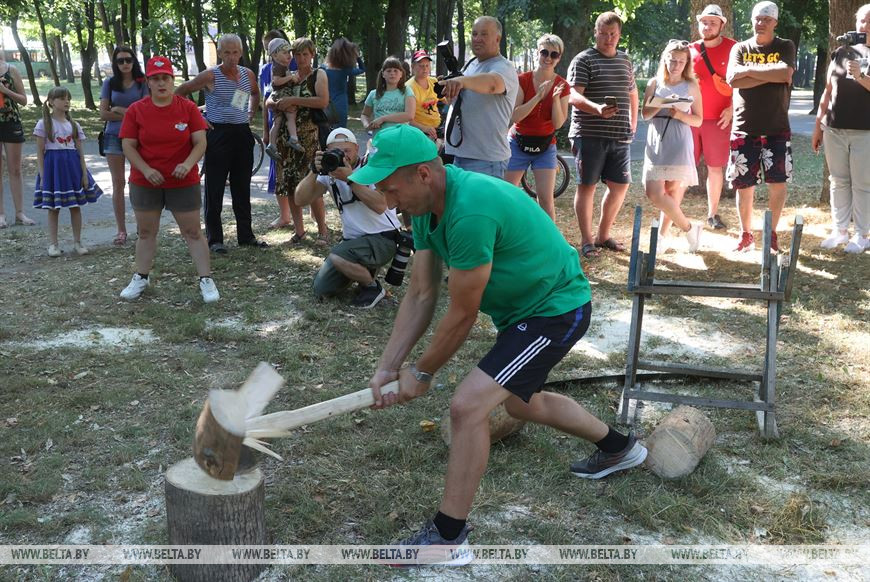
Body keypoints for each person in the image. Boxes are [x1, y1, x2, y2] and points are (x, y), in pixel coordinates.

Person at [352, 125, 646, 559]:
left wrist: (421, 372)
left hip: (555, 309)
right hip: (522, 314)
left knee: (467, 406)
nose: (388, 201)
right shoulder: (426, 209)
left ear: (423, 174)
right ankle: (619, 448)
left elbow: (462, 314)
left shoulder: (470, 210)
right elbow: (420, 293)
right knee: (519, 403)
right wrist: (387, 367)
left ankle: (448, 537)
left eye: (391, 188)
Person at [118, 56, 217, 303]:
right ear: (148, 82)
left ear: (173, 80)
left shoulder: (188, 108)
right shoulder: (136, 110)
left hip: (182, 181)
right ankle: (141, 276)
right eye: (155, 79)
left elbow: (200, 142)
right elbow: (128, 146)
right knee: (146, 232)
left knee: (193, 231)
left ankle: (206, 279)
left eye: (165, 78)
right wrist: (146, 170)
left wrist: (188, 164)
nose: (161, 83)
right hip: (145, 181)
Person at [176, 33, 267, 254]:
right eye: (227, 52)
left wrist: (250, 112)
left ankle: (246, 235)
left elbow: (255, 93)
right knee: (215, 187)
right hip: (218, 133)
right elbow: (180, 92)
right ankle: (215, 239)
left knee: (241, 186)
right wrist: (198, 118)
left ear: (241, 53)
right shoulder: (210, 75)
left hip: (242, 133)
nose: (231, 57)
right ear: (219, 53)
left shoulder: (247, 74)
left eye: (235, 52)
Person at [294, 128, 400, 308]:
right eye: (336, 151)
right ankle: (364, 269)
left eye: (347, 151)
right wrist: (313, 171)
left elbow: (380, 205)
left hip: (383, 237)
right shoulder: (330, 172)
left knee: (338, 256)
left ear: (357, 149)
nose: (343, 156)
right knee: (321, 289)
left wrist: (350, 178)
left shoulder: (370, 167)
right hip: (354, 241)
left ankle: (372, 287)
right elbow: (300, 200)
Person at [567, 11, 639, 259]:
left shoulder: (625, 60)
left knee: (620, 186)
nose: (609, 39)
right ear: (595, 33)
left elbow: (632, 92)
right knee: (587, 186)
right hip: (589, 134)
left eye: (613, 34)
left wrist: (633, 122)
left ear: (619, 35)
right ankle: (587, 241)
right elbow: (573, 95)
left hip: (619, 135)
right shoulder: (583, 60)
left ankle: (603, 235)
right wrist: (596, 109)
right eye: (604, 34)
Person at [725, 1, 795, 253]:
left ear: (775, 22)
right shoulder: (740, 48)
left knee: (778, 183)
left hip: (777, 127)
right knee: (744, 185)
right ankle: (746, 235)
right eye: (757, 18)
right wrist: (769, 74)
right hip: (744, 127)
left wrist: (749, 72)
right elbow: (733, 79)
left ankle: (771, 234)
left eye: (766, 19)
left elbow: (785, 75)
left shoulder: (785, 46)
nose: (761, 23)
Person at [812, 3, 870, 254]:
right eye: (862, 20)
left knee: (863, 183)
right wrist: (818, 125)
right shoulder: (841, 52)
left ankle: (862, 234)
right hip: (834, 129)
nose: (865, 26)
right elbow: (828, 90)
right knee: (837, 181)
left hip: (865, 130)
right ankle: (840, 230)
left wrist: (860, 77)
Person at [641, 40, 704, 252]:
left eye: (681, 61)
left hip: (679, 139)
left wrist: (680, 114)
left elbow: (698, 120)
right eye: (672, 60)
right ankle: (689, 228)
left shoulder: (691, 85)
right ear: (665, 60)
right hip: (657, 138)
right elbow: (645, 114)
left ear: (687, 63)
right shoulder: (654, 83)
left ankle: (661, 236)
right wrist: (664, 102)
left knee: (671, 190)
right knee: (654, 192)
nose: (676, 65)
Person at [267, 37, 330, 245]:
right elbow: (269, 97)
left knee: (311, 185)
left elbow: (322, 101)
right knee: (290, 184)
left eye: (305, 54)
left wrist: (293, 100)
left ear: (312, 55)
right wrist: (274, 103)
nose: (301, 58)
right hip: (286, 138)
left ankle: (322, 231)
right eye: (297, 54)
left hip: (309, 136)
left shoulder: (318, 74)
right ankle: (299, 231)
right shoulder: (288, 75)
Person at [440, 16, 520, 179]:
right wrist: (449, 90)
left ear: (497, 39)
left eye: (484, 34)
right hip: (460, 155)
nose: (477, 39)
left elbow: (492, 84)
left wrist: (461, 81)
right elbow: (462, 101)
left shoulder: (504, 67)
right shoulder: (471, 64)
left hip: (486, 160)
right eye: (474, 34)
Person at [504, 34, 570, 221]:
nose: (548, 58)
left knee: (546, 200)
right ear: (537, 53)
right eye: (544, 52)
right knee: (506, 194)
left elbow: (558, 123)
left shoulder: (562, 85)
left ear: (559, 58)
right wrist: (538, 97)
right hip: (517, 142)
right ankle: (507, 234)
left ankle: (549, 239)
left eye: (554, 54)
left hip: (545, 146)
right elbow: (515, 116)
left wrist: (555, 99)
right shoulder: (522, 80)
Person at [33, 87, 102, 257]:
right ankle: (53, 244)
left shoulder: (74, 125)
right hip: (53, 170)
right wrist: (42, 175)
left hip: (72, 169)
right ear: (51, 102)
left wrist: (84, 174)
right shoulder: (43, 124)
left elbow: (80, 153)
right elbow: (40, 153)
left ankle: (77, 242)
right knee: (53, 208)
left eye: (68, 98)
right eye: (62, 98)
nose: (67, 102)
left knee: (75, 206)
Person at [689, 5, 737, 230]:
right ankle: (672, 212)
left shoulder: (734, 49)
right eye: (704, 22)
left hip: (719, 119)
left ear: (721, 25)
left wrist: (732, 108)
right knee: (683, 166)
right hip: (691, 119)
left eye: (713, 23)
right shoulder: (689, 50)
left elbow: (744, 83)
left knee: (715, 168)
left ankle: (712, 214)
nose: (707, 27)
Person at [99, 46, 148, 246]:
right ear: (115, 64)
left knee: (139, 181)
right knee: (118, 183)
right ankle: (121, 230)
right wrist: (130, 113)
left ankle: (142, 227)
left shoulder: (142, 82)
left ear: (134, 61)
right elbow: (103, 114)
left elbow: (145, 112)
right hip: (113, 136)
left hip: (137, 137)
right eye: (121, 60)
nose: (125, 64)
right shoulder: (109, 83)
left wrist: (119, 109)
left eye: (128, 59)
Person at [259, 29, 296, 203]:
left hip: (294, 121)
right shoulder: (266, 70)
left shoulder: (294, 66)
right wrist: (266, 131)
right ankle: (284, 213)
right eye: (267, 48)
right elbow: (265, 99)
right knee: (278, 167)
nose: (270, 53)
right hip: (275, 119)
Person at [0, 51, 34, 228]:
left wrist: (5, 90)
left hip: (11, 122)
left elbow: (24, 100)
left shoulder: (11, 69)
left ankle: (20, 213)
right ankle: (1, 215)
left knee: (15, 169)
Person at [264, 38, 305, 159]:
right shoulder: (278, 67)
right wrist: (290, 77)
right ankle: (293, 138)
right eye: (285, 52)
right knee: (291, 114)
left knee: (277, 122)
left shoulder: (281, 66)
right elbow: (276, 82)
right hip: (282, 95)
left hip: (278, 96)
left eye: (289, 52)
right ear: (275, 55)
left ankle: (272, 145)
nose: (289, 55)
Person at [361, 57, 415, 133]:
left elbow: (409, 115)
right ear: (383, 74)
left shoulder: (407, 91)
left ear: (401, 74)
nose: (392, 73)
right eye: (389, 71)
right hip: (381, 136)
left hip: (400, 136)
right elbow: (365, 115)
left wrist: (383, 119)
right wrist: (367, 125)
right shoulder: (373, 94)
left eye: (395, 71)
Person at [322, 37, 365, 129]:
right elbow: (362, 69)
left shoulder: (323, 69)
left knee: (326, 130)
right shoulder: (345, 70)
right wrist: (357, 56)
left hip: (326, 104)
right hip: (341, 104)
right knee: (340, 131)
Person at [407, 50, 443, 141]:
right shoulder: (408, 88)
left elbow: (447, 100)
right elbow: (407, 119)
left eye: (427, 65)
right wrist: (424, 128)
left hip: (438, 127)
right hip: (419, 132)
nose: (425, 68)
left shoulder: (434, 81)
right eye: (421, 66)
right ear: (412, 66)